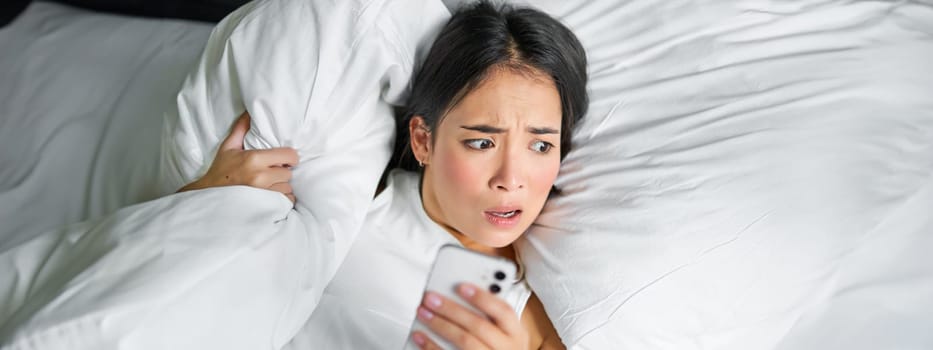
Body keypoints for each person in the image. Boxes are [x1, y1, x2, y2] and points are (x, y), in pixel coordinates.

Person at [180, 1, 587, 348]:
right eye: (482, 142)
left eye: (540, 146)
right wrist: (206, 203)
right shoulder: (345, 212)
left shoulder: (546, 317)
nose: (510, 179)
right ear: (423, 140)